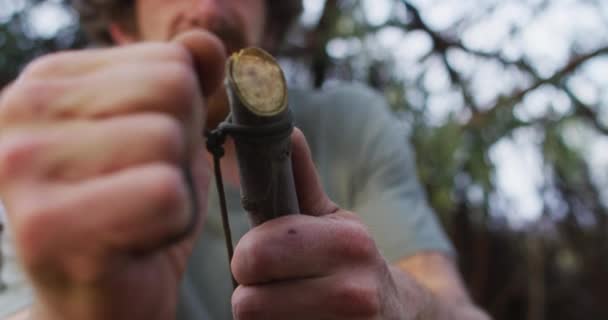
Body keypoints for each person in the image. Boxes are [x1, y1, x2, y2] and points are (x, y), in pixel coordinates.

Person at [0, 1, 490, 319]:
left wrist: (398, 301)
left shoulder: (350, 125)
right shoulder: (66, 162)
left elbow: (460, 311)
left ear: (272, 19)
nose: (210, 5)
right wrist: (75, 309)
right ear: (122, 24)